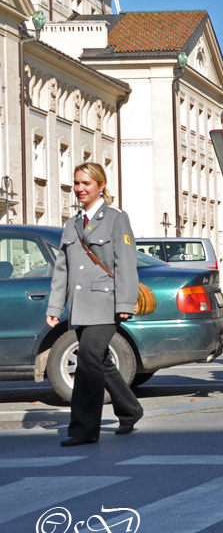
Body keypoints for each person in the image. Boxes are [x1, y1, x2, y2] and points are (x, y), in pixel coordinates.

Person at [46, 162, 144, 446]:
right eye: (76, 183)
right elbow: (62, 269)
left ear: (100, 186)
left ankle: (84, 429)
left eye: (85, 184)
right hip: (80, 305)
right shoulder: (72, 223)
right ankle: (130, 409)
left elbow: (125, 262)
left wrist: (125, 301)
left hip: (105, 301)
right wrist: (55, 307)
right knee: (98, 361)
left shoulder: (115, 218)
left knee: (88, 362)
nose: (79, 189)